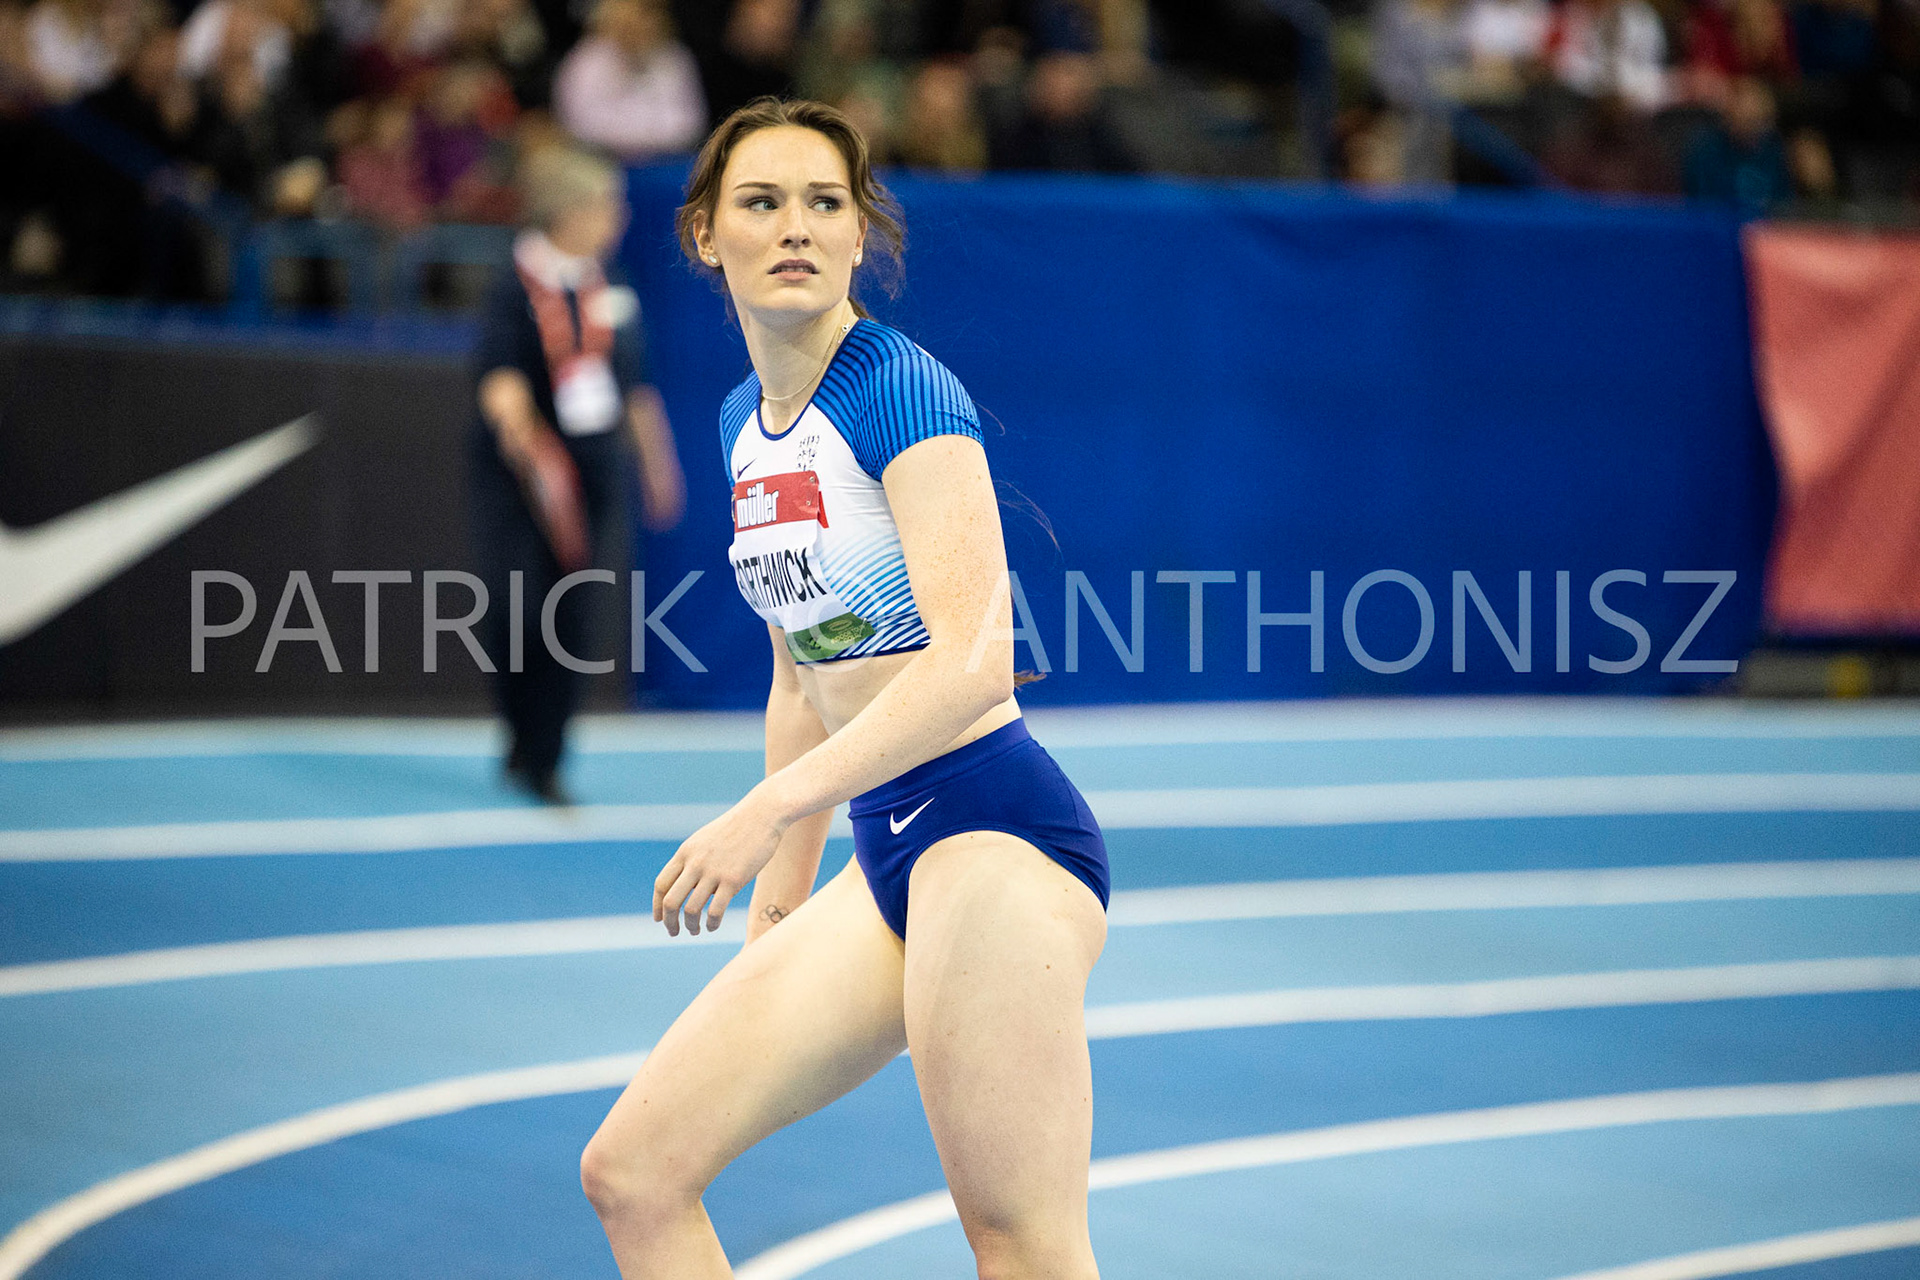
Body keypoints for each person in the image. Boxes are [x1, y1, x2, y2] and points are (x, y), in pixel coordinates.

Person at [578, 97, 1111, 1279]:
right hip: (882, 851)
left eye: (826, 204)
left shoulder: (899, 389)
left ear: (860, 236)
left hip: (993, 833)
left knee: (1022, 1245)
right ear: (705, 235)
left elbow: (973, 657)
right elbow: (795, 675)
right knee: (634, 1174)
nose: (797, 228)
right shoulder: (742, 424)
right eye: (761, 203)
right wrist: (779, 900)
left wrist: (763, 808)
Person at [469, 146, 686, 804]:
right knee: (515, 612)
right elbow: (499, 375)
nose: (617, 217)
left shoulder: (610, 286)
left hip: (591, 475)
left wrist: (657, 464)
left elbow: (634, 387)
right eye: (605, 205)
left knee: (572, 617)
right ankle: (518, 727)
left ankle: (547, 758)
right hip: (523, 473)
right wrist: (517, 427)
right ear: (567, 211)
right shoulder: (514, 282)